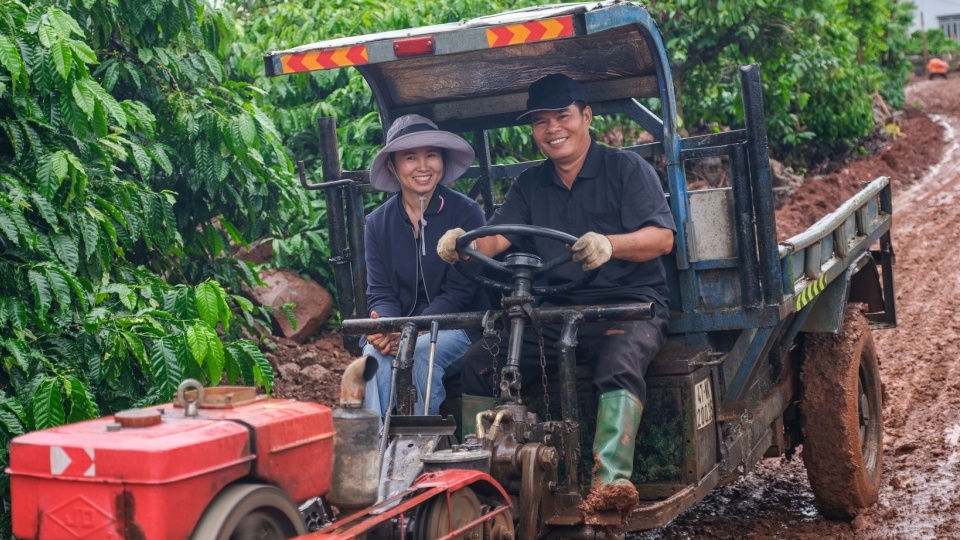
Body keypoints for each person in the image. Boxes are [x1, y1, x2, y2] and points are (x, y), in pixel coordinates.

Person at [437, 74, 675, 516]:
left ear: (586, 116)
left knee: (619, 362)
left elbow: (662, 238)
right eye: (541, 122)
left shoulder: (626, 169)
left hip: (628, 306)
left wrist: (610, 244)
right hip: (556, 311)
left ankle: (610, 483)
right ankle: (485, 481)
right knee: (480, 362)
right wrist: (462, 244)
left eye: (562, 116)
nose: (552, 129)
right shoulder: (530, 184)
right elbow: (497, 239)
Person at [362, 114, 489, 418]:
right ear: (392, 166)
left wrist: (411, 330)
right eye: (410, 157)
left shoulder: (467, 213)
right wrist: (386, 327)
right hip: (401, 329)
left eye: (431, 155)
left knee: (421, 353)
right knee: (371, 357)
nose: (423, 166)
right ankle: (374, 443)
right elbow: (380, 293)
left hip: (459, 326)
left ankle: (420, 441)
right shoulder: (377, 223)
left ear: (442, 160)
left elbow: (460, 293)